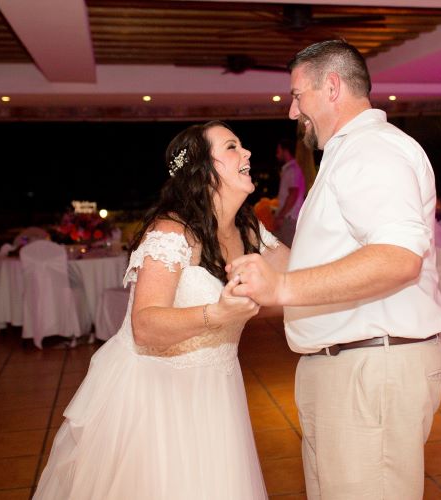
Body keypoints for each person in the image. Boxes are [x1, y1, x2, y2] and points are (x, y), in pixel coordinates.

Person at [227, 40, 441, 499]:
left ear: (331, 88)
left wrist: (283, 287)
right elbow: (324, 263)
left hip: (369, 372)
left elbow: (398, 259)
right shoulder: (348, 154)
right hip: (351, 368)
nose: (292, 111)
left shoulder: (373, 151)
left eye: (297, 95)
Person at [34, 121, 289, 499]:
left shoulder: (250, 229)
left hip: (219, 387)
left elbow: (295, 280)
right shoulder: (171, 233)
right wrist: (217, 314)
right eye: (233, 147)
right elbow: (145, 326)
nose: (247, 153)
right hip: (156, 393)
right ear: (203, 170)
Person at [273, 137, 306, 246]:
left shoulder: (292, 170)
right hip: (288, 219)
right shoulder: (291, 169)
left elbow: (293, 194)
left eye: (278, 151)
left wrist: (280, 216)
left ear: (285, 151)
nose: (277, 154)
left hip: (289, 219)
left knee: (288, 253)